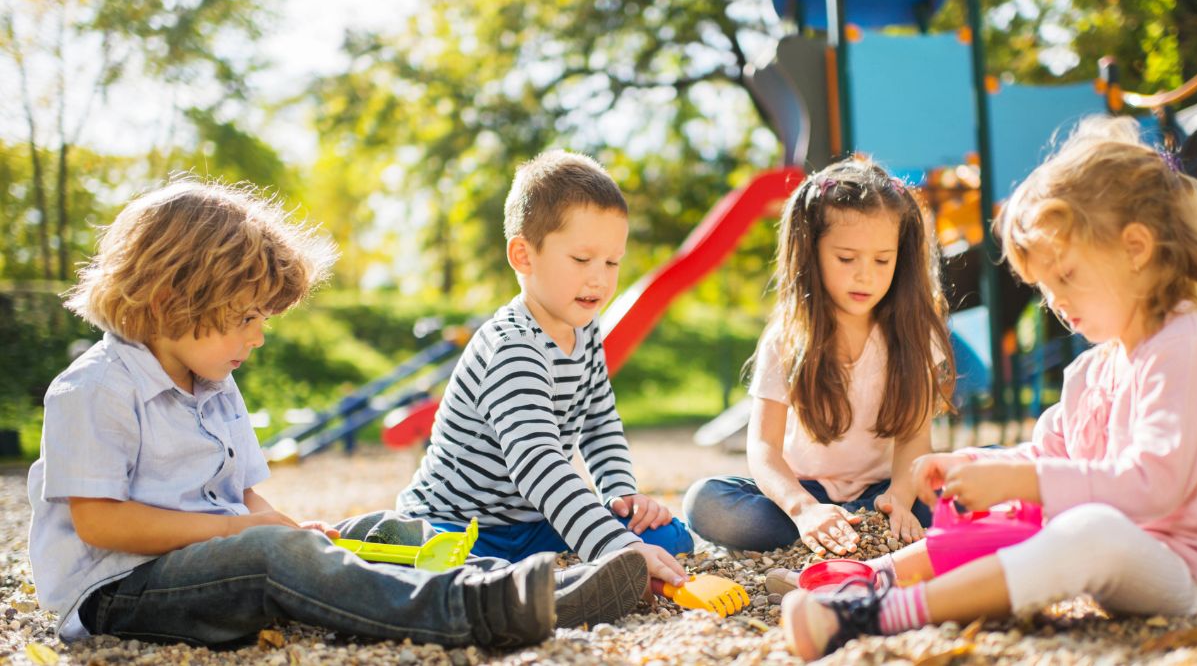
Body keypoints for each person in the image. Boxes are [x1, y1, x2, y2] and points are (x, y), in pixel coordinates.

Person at [26, 179, 646, 648]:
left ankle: (521, 583)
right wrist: (249, 536)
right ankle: (479, 612)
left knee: (370, 530)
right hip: (122, 591)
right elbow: (101, 523)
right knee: (274, 559)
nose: (259, 337)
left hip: (219, 559)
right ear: (167, 302)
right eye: (248, 318)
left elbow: (245, 501)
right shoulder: (96, 388)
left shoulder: (214, 383)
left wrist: (293, 528)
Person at [779, 116, 1197, 660]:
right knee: (1007, 503)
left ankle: (880, 614)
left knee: (1083, 523)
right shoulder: (1093, 369)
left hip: (1194, 574)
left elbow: (1154, 484)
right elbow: (1049, 454)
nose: (1055, 302)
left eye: (1067, 277)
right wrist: (974, 464)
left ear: (1135, 249)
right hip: (1116, 552)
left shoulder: (1187, 346)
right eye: (1045, 286)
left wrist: (1023, 476)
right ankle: (873, 576)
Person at [396, 150, 691, 587]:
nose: (600, 279)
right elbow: (539, 464)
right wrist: (618, 547)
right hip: (455, 524)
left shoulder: (585, 332)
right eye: (581, 260)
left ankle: (542, 575)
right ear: (523, 256)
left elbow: (599, 423)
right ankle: (517, 585)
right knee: (453, 576)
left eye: (612, 262)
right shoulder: (513, 347)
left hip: (533, 522)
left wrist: (620, 494)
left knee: (670, 536)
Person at [682, 158, 956, 558]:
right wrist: (804, 509)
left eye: (883, 260)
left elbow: (915, 438)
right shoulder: (787, 338)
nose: (866, 275)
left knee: (988, 473)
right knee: (705, 501)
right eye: (847, 259)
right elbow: (763, 448)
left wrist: (899, 497)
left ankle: (863, 523)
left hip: (888, 492)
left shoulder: (915, 333)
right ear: (811, 253)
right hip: (804, 492)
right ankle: (834, 527)